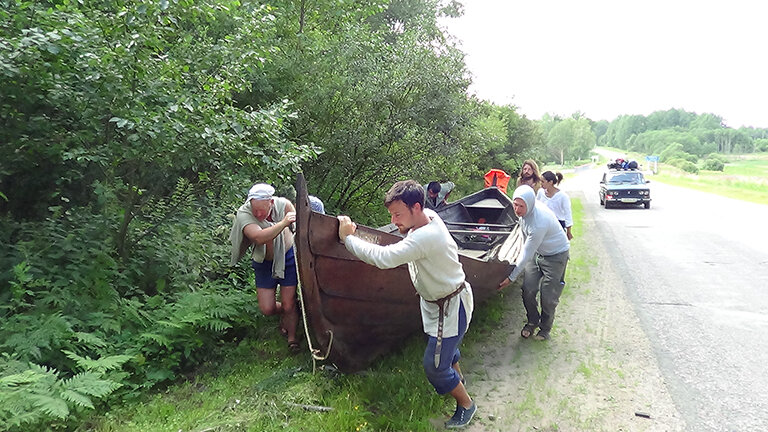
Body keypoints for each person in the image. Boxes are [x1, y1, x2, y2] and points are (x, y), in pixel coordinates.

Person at [337, 180, 477, 428]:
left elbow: (384, 258)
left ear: (416, 208)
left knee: (434, 366)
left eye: (398, 214)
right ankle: (458, 379)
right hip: (438, 304)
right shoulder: (428, 216)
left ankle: (467, 404)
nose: (394, 221)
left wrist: (349, 238)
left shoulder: (427, 236)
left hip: (452, 308)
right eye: (391, 214)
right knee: (446, 349)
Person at [229, 183, 301, 352]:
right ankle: (290, 311)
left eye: (263, 210)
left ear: (271, 202)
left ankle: (292, 338)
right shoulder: (244, 213)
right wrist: (283, 223)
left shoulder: (284, 205)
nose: (259, 214)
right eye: (256, 211)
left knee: (288, 303)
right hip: (263, 262)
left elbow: (300, 229)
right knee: (267, 308)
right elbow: (258, 237)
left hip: (288, 258)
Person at [498, 185, 570, 341]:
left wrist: (511, 277)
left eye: (521, 206)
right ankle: (532, 321)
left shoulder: (539, 221)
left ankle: (545, 329)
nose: (517, 210)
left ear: (529, 204)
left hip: (555, 256)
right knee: (528, 290)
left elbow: (526, 252)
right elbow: (524, 237)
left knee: (548, 296)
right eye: (515, 204)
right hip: (537, 253)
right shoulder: (525, 212)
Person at [536, 171, 574, 241]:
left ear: (550, 182)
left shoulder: (563, 196)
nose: (541, 184)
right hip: (544, 223)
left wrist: (569, 231)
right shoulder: (541, 192)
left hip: (558, 224)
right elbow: (536, 207)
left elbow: (568, 214)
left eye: (543, 181)